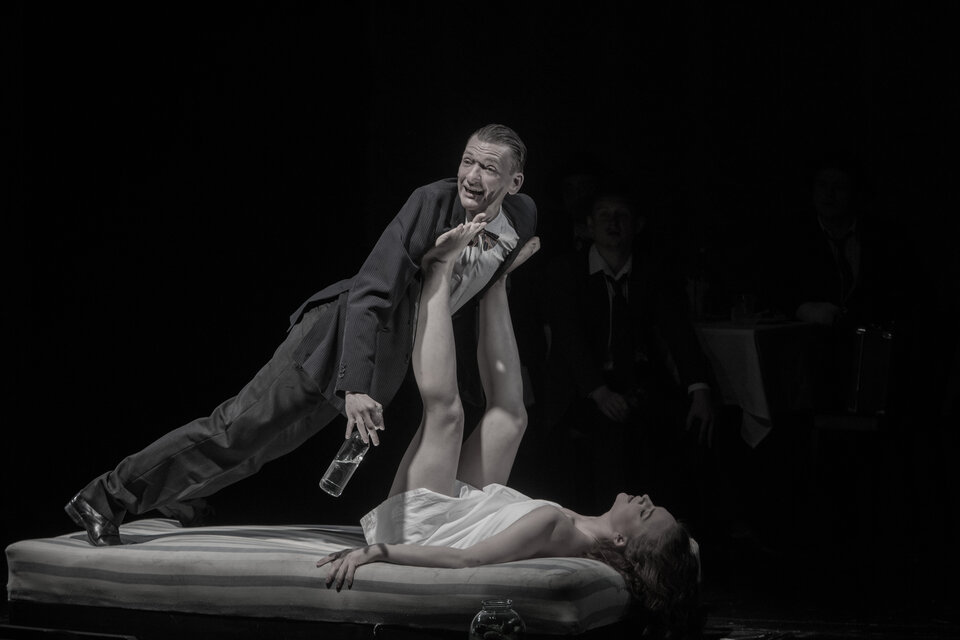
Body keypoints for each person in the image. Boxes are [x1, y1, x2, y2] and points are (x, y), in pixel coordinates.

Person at [64, 124, 537, 546]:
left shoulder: (521, 219)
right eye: (467, 161)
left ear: (514, 183)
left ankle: (172, 497)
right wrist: (355, 386)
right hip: (334, 341)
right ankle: (105, 496)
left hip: (381, 358)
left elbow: (482, 280)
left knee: (259, 449)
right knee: (232, 430)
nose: (471, 176)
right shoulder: (430, 202)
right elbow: (370, 292)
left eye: (488, 168)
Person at [317, 224, 702, 638]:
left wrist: (377, 552)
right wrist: (681, 554)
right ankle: (496, 281)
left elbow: (468, 561)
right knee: (511, 417)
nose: (645, 499)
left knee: (447, 415)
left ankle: (438, 270)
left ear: (623, 541)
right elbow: (684, 557)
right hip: (465, 512)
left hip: (422, 532)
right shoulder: (585, 533)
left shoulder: (558, 527)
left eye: (646, 512)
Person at [539, 185, 715, 517]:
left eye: (622, 215)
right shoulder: (565, 271)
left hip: (636, 380)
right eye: (604, 215)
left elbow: (678, 331)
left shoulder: (651, 272)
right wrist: (599, 391)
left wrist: (699, 387)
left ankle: (674, 527)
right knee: (610, 435)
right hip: (581, 386)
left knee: (685, 424)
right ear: (589, 225)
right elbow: (569, 339)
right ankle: (610, 529)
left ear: (638, 225)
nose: (613, 222)